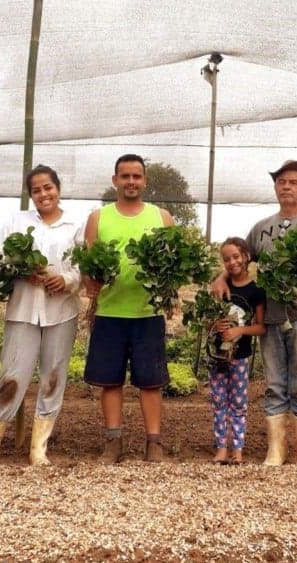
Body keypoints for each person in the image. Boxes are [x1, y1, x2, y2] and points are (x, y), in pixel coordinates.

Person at [212, 160, 297, 466]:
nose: (286, 186)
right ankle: (276, 450)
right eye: (281, 182)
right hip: (271, 319)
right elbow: (239, 260)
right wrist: (220, 277)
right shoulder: (262, 228)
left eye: (293, 182)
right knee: (274, 384)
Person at [0, 165, 84, 467]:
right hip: (23, 310)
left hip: (61, 311)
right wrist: (21, 271)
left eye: (48, 187)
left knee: (53, 377)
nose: (43, 194)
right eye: (36, 190)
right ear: (30, 194)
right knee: (12, 376)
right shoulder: (16, 221)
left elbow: (82, 268)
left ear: (58, 189)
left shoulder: (75, 225)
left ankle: (38, 449)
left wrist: (66, 280)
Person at [82, 153, 175, 463]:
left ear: (145, 181)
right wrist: (90, 281)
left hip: (148, 312)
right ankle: (113, 441)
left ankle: (154, 443)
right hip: (109, 312)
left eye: (137, 176)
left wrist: (168, 281)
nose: (131, 181)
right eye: (125, 176)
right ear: (115, 180)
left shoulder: (162, 217)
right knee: (110, 381)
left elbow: (175, 262)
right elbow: (87, 263)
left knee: (151, 382)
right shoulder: (99, 217)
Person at [208, 237, 266, 465]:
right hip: (217, 355)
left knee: (239, 404)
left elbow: (261, 327)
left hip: (240, 357)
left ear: (245, 257)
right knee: (218, 402)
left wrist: (239, 330)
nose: (232, 262)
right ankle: (221, 448)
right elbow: (207, 320)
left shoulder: (256, 291)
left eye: (235, 257)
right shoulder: (220, 287)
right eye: (226, 259)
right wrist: (215, 325)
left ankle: (238, 449)